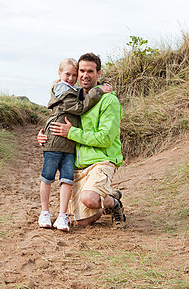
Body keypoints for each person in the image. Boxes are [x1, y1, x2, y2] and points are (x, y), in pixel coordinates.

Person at [38, 53, 125, 229]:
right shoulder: (75, 97)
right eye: (81, 71)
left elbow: (105, 139)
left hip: (102, 160)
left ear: (98, 74)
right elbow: (58, 117)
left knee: (89, 199)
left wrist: (71, 132)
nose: (85, 75)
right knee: (80, 222)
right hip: (80, 164)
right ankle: (106, 196)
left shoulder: (109, 100)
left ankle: (115, 204)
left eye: (90, 71)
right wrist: (44, 136)